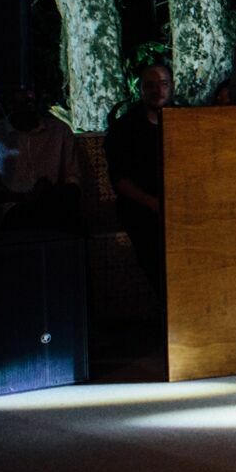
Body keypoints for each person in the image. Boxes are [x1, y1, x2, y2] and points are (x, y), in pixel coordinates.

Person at [106, 62, 171, 309]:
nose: (158, 90)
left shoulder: (184, 120)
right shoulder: (124, 128)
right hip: (142, 207)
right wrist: (154, 204)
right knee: (154, 248)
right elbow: (120, 180)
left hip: (178, 205)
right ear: (141, 90)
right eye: (151, 85)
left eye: (163, 84)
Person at [0, 87, 86, 231]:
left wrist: (53, 193)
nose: (30, 96)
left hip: (53, 205)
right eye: (22, 91)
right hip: (13, 211)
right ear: (10, 98)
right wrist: (25, 197)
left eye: (32, 90)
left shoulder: (60, 131)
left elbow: (73, 178)